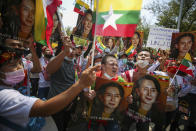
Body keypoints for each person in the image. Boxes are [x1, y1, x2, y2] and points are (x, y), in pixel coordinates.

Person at [0, 43, 100, 131]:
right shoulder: (4, 95)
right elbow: (44, 108)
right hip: (55, 105)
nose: (19, 68)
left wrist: (82, 91)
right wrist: (81, 84)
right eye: (13, 65)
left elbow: (73, 81)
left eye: (19, 64)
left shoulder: (74, 63)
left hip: (68, 105)